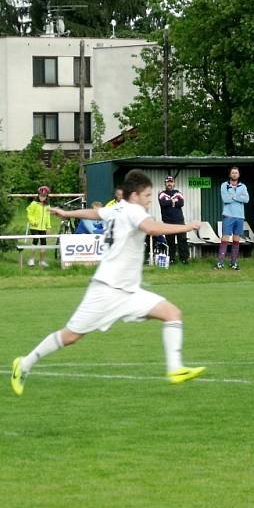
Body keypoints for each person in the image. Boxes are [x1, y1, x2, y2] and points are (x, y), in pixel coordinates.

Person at [10, 170, 206, 397]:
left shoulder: (119, 207)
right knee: (71, 335)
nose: (149, 200)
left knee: (172, 313)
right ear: (135, 195)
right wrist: (187, 226)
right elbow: (151, 229)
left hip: (129, 292)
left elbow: (94, 213)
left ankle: (175, 369)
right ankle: (23, 364)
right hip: (106, 291)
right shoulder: (133, 210)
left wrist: (67, 212)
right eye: (147, 195)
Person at [216, 166, 249, 270]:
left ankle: (233, 263)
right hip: (228, 216)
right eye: (233, 173)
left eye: (236, 173)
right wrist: (239, 198)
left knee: (236, 240)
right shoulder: (224, 185)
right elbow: (225, 199)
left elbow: (247, 199)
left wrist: (234, 196)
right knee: (225, 239)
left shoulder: (243, 186)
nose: (234, 174)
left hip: (239, 216)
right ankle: (220, 262)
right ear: (230, 174)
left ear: (239, 175)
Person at [158, 175, 190, 264]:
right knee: (170, 242)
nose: (169, 184)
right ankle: (171, 259)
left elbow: (181, 203)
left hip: (179, 221)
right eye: (168, 182)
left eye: (171, 182)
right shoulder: (161, 194)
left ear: (174, 183)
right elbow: (163, 203)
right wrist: (173, 201)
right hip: (168, 222)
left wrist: (170, 202)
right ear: (165, 183)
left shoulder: (178, 193)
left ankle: (184, 259)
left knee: (182, 240)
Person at [26, 185, 52, 267]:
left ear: (46, 196)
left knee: (44, 243)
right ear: (38, 195)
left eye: (44, 196)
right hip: (34, 227)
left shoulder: (47, 205)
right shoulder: (34, 203)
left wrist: (48, 227)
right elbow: (29, 213)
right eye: (41, 196)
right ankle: (31, 260)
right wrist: (32, 222)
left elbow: (48, 217)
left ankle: (42, 261)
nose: (42, 198)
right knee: (35, 240)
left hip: (43, 227)